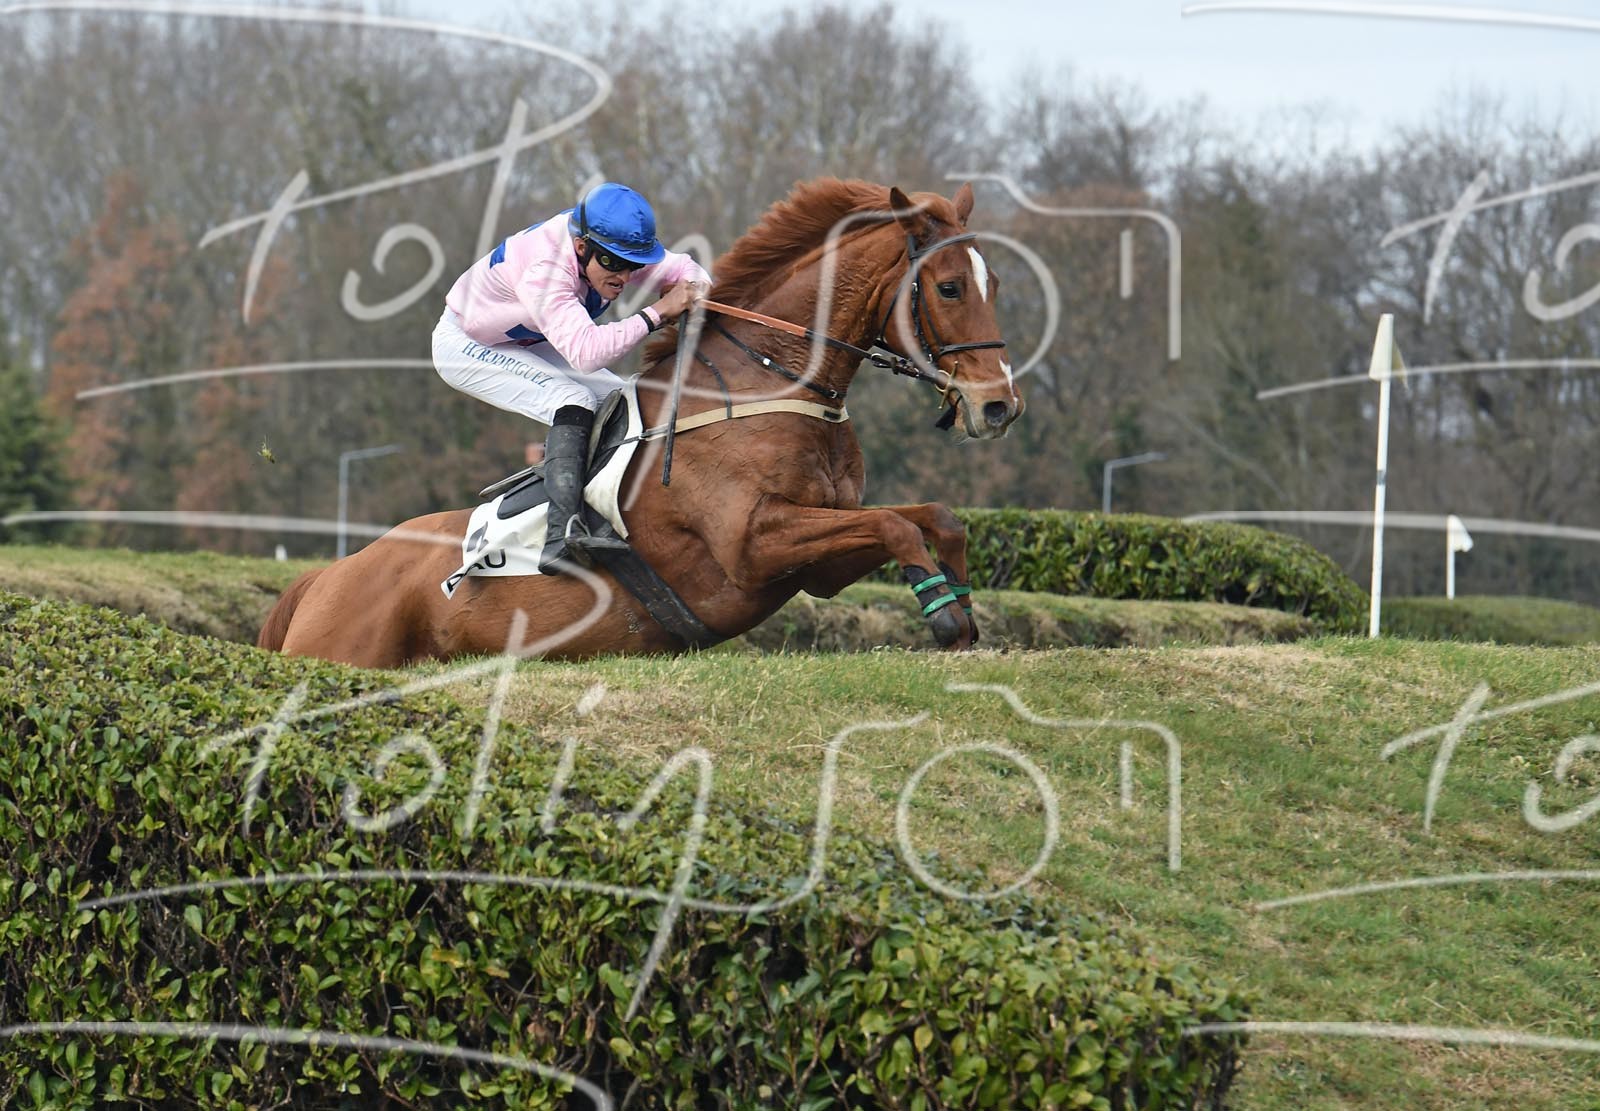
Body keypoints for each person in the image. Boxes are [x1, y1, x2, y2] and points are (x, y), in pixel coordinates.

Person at [433, 181, 710, 573]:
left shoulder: (609, 241)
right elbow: (587, 354)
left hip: (527, 338)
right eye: (613, 263)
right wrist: (659, 312)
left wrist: (696, 291)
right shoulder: (547, 271)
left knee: (627, 400)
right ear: (581, 247)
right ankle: (562, 534)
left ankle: (612, 506)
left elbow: (684, 269)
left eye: (632, 265)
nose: (623, 276)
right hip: (466, 345)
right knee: (572, 399)